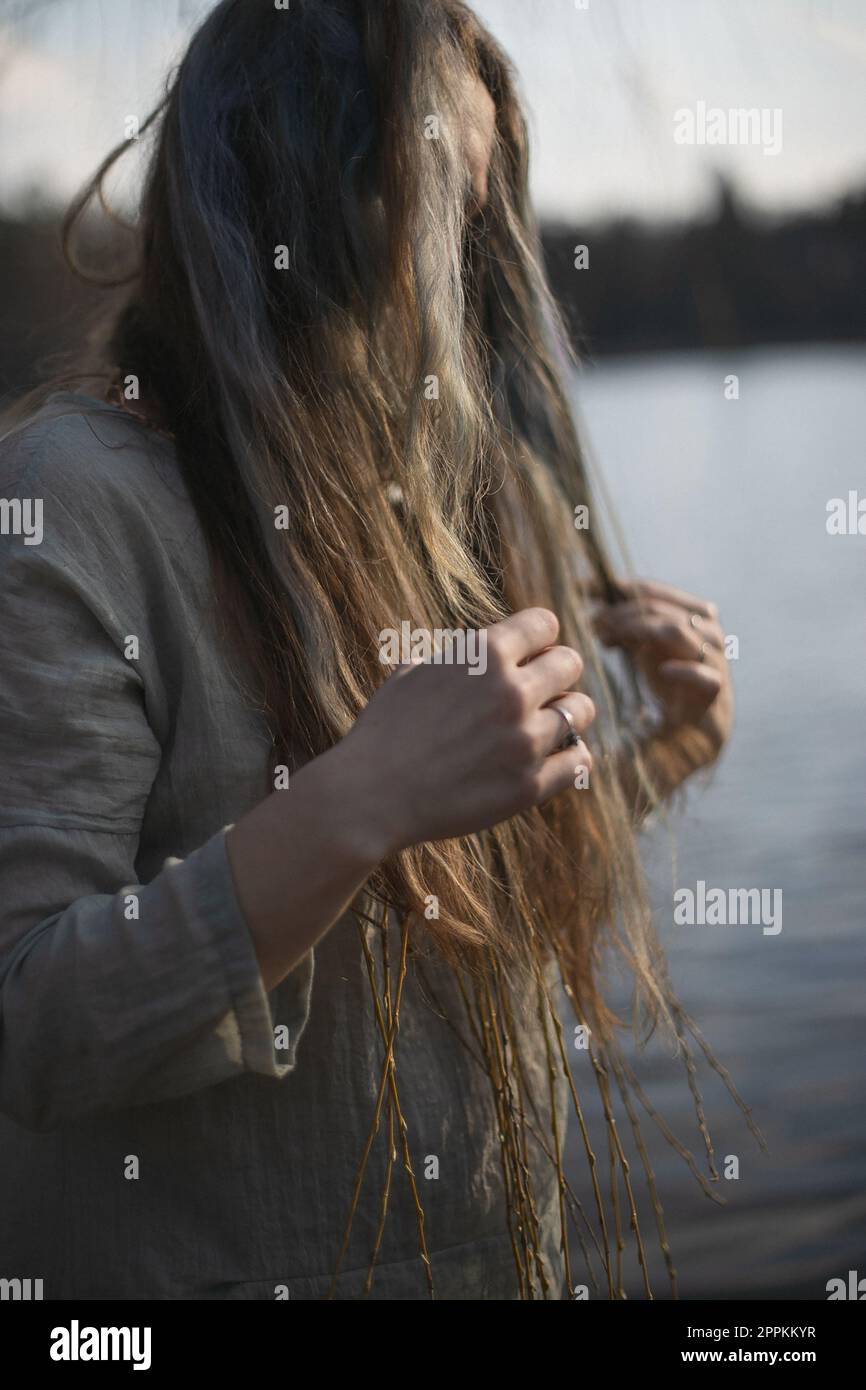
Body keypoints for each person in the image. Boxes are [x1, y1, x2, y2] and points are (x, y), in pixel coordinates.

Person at [0, 0, 734, 1300]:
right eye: (438, 195)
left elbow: (440, 914)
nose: (478, 266)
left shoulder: (451, 499)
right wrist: (354, 799)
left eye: (487, 201)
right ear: (296, 185)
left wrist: (651, 757)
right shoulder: (79, 495)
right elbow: (36, 1023)